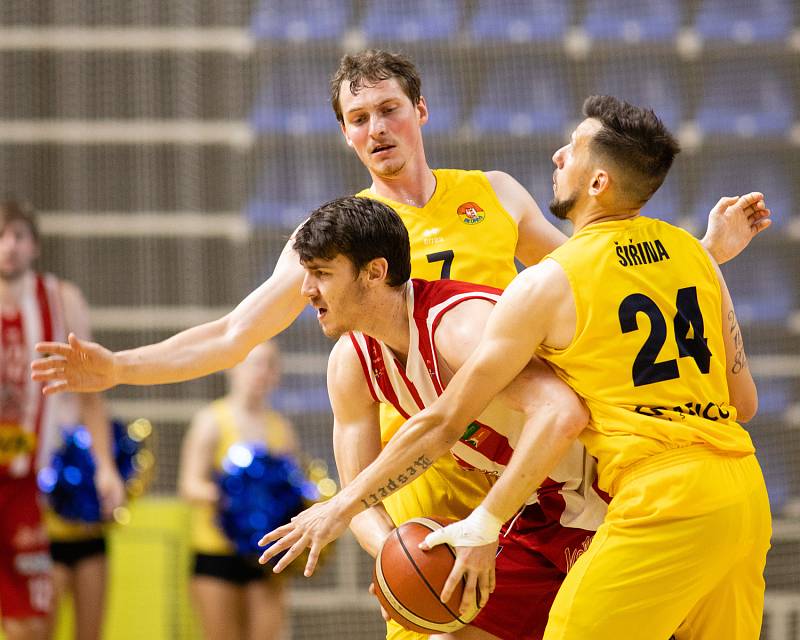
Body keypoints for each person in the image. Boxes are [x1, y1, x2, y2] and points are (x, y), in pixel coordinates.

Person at [31, 51, 768, 639]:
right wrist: (120, 366)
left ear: (420, 111)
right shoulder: (340, 240)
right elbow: (232, 334)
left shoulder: (496, 195)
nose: (376, 127)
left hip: (538, 473)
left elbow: (596, 273)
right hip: (425, 483)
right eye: (357, 118)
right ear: (345, 135)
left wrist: (702, 255)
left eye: (388, 109)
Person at [257, 97, 771, 640]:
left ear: (597, 182)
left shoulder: (547, 282)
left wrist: (470, 519)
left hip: (640, 493)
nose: (556, 156)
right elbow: (745, 402)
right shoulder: (690, 256)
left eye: (570, 149)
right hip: (740, 483)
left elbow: (454, 421)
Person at [264, 196, 607, 639]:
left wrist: (484, 522)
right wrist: (398, 560)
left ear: (374, 272)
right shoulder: (351, 364)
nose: (307, 290)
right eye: (307, 273)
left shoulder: (459, 327)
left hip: (609, 492)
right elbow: (358, 493)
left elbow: (562, 413)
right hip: (542, 511)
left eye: (322, 274)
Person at [0, 200, 124, 640]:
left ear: (34, 245)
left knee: (33, 622)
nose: (8, 247)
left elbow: (92, 391)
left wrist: (106, 467)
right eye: (1, 236)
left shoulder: (61, 299)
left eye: (17, 235)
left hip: (37, 485)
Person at [178, 341, 298, 640]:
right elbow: (189, 485)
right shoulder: (211, 421)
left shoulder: (281, 429)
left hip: (265, 554)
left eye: (269, 365)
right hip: (216, 552)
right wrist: (238, 498)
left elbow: (292, 489)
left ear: (276, 375)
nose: (262, 372)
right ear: (234, 368)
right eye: (254, 363)